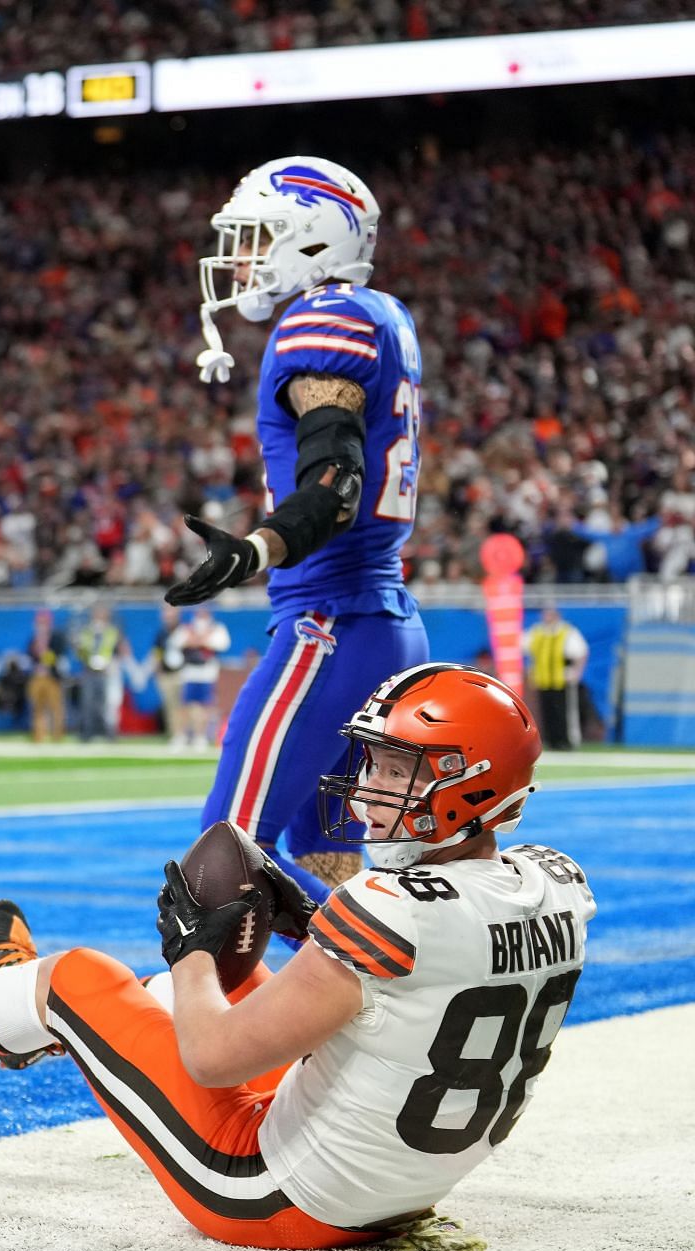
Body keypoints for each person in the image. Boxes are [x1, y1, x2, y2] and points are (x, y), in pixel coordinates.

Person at [0, 664, 588, 1251]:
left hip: (274, 1196)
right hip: (398, 1178)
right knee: (242, 974)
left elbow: (214, 1057)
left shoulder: (391, 913)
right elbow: (412, 986)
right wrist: (310, 922)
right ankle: (38, 1016)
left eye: (395, 768)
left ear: (466, 782)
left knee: (86, 978)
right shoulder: (556, 884)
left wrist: (188, 949)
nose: (367, 789)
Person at [168, 157, 429, 896]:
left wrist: (256, 548)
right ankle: (369, 1003)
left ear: (311, 239)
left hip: (330, 623)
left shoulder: (326, 316)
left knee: (219, 867)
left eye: (260, 237)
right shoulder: (383, 314)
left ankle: (227, 1015)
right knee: (328, 862)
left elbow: (334, 482)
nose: (244, 258)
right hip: (380, 623)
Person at [523, 605, 587, 750]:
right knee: (547, 712)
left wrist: (576, 672)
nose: (547, 618)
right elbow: (525, 649)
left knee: (564, 712)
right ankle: (551, 741)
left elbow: (581, 652)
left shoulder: (567, 632)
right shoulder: (537, 632)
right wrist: (531, 671)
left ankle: (566, 741)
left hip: (561, 679)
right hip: (543, 679)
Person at [170, 606, 230, 749]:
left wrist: (200, 640)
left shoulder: (216, 628)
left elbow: (221, 644)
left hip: (207, 672)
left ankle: (200, 736)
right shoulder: (187, 627)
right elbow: (177, 642)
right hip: (189, 671)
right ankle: (180, 735)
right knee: (184, 705)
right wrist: (196, 640)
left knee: (205, 706)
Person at [73, 604, 123, 741]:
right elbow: (81, 652)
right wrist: (78, 647)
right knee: (88, 703)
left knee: (107, 705)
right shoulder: (87, 631)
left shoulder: (111, 631)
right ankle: (87, 733)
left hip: (105, 671)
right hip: (89, 670)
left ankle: (109, 734)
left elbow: (116, 650)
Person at [25, 609, 68, 744]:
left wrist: (45, 654)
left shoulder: (57, 637)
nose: (41, 624)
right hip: (38, 676)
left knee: (56, 707)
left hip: (52, 676)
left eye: (44, 621)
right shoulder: (34, 638)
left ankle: (57, 736)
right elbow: (30, 656)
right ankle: (39, 735)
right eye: (39, 622)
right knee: (37, 707)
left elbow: (58, 655)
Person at [149, 604, 185, 747]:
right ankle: (176, 734)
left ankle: (186, 733)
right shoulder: (161, 633)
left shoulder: (184, 630)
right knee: (170, 706)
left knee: (184, 706)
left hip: (182, 673)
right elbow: (156, 653)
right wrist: (158, 672)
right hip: (166, 674)